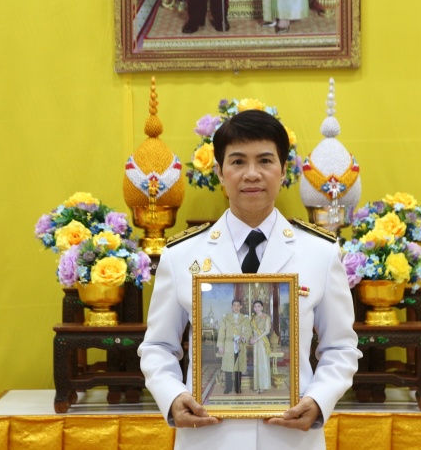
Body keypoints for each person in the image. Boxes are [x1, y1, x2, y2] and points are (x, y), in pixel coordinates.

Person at [138, 109, 361, 450]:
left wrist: (319, 400)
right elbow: (158, 346)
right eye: (238, 161)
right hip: (209, 437)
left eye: (265, 161)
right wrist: (172, 395)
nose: (252, 174)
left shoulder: (321, 253)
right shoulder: (181, 255)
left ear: (283, 171)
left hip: (289, 437)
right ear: (220, 172)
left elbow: (341, 347)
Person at [217, 299, 251, 394]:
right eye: (234, 305)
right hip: (228, 345)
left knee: (238, 367)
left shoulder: (245, 318)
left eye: (238, 305)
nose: (236, 307)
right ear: (232, 307)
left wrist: (243, 337)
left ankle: (238, 387)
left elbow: (248, 331)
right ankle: (228, 387)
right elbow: (221, 332)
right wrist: (220, 345)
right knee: (228, 368)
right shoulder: (226, 318)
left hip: (240, 346)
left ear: (241, 307)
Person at [249, 300, 271, 393]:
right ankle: (257, 385)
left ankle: (263, 386)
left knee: (263, 363)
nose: (257, 308)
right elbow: (251, 330)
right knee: (256, 363)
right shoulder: (253, 319)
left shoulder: (266, 317)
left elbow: (267, 331)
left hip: (262, 341)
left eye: (259, 306)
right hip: (255, 341)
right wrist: (251, 338)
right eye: (255, 307)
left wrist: (257, 339)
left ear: (262, 307)